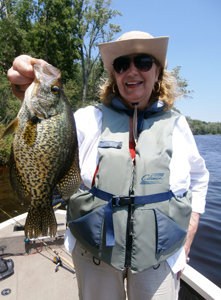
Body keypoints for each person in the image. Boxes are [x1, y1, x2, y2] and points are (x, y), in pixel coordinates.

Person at [8, 31, 209, 300]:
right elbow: (46, 128)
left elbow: (199, 177)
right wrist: (27, 84)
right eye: (122, 64)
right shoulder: (88, 118)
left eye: (144, 62)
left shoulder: (177, 124)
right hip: (95, 253)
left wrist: (190, 234)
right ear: (114, 75)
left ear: (158, 72)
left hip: (160, 257)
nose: (132, 70)